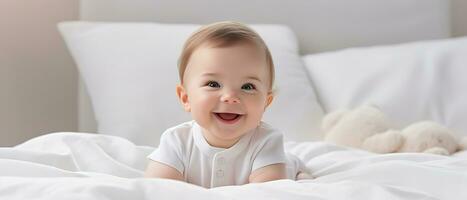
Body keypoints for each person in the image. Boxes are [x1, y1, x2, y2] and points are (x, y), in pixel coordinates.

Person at [144, 21, 308, 188]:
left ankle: (298, 171)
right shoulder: (176, 141)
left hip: (282, 167)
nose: (230, 97)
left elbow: (267, 192)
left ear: (265, 103)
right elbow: (158, 188)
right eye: (213, 84)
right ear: (186, 98)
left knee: (295, 171)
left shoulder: (266, 141)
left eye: (247, 86)